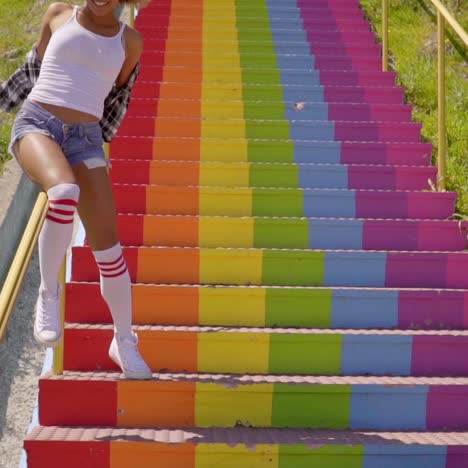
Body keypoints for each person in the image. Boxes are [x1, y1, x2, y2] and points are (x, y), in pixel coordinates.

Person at [0, 0, 152, 379]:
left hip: (85, 140)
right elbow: (33, 70)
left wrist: (99, 143)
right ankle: (48, 294)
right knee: (64, 191)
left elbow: (119, 97)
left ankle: (123, 341)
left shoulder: (130, 41)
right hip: (37, 124)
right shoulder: (58, 14)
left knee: (109, 248)